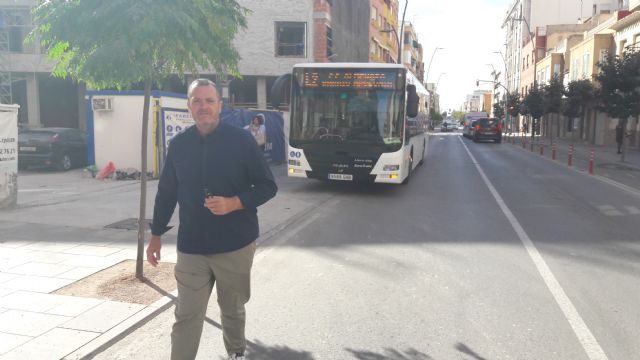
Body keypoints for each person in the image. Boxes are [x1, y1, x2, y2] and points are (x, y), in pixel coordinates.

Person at [146, 78, 277, 360]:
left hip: (235, 245)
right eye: (197, 101)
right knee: (186, 314)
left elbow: (268, 186)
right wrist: (155, 234)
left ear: (219, 105)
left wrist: (235, 202)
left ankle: (236, 353)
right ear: (189, 106)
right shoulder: (179, 145)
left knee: (231, 309)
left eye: (209, 100)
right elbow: (167, 191)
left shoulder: (241, 141)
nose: (203, 106)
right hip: (192, 246)